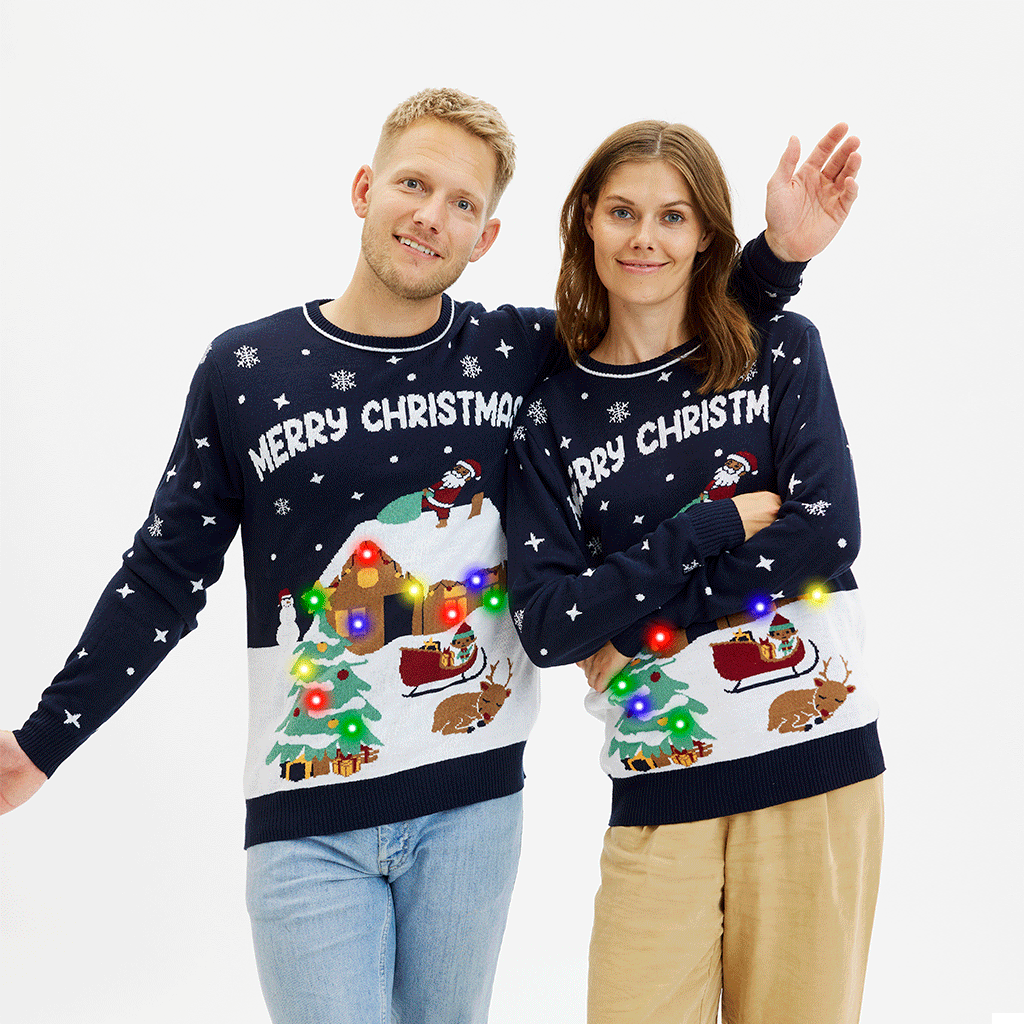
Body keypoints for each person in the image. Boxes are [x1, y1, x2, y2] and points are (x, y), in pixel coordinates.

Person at [0, 88, 862, 1024]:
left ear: (485, 238)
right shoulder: (246, 370)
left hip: (471, 811)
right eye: (413, 184)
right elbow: (165, 575)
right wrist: (42, 744)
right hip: (306, 815)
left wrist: (777, 260)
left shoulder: (521, 352)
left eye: (461, 203)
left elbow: (658, 319)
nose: (429, 216)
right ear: (364, 188)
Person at [506, 121, 882, 1024]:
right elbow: (551, 626)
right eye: (623, 212)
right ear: (586, 220)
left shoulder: (777, 349)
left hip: (815, 768)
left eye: (673, 216)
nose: (646, 238)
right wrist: (709, 527)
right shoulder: (551, 417)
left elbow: (826, 537)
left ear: (707, 232)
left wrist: (643, 626)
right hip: (658, 783)